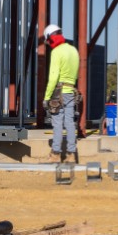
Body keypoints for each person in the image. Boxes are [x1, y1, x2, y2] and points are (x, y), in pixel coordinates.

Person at [43, 23, 80, 164]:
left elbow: (53, 77)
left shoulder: (56, 52)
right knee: (70, 123)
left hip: (58, 93)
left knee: (57, 123)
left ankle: (55, 154)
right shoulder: (73, 50)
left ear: (50, 38)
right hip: (71, 91)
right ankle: (71, 155)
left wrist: (47, 97)